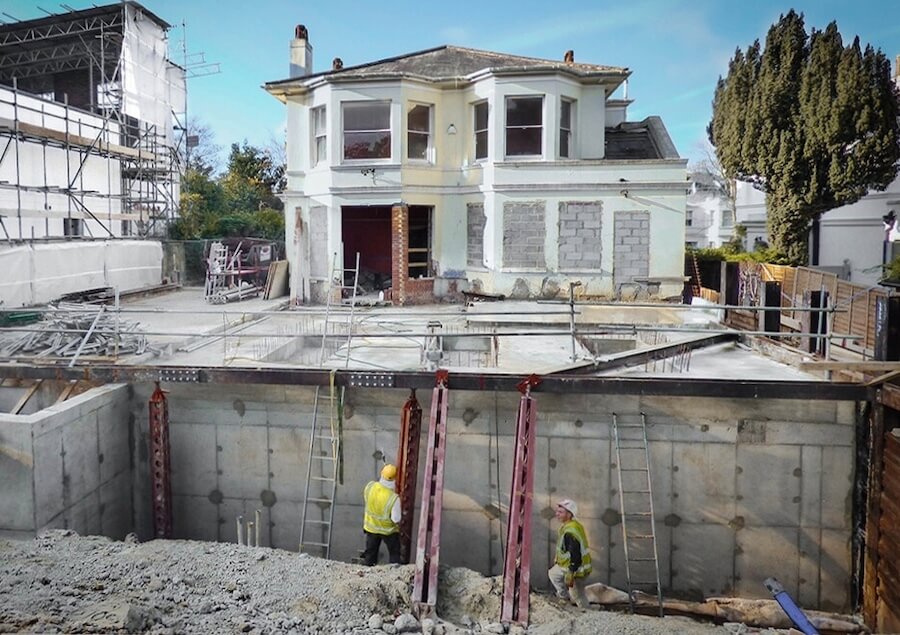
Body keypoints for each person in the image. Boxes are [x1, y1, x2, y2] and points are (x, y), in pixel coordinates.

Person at [548, 498, 592, 608]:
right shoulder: (571, 525)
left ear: (569, 514)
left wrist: (571, 572)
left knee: (578, 595)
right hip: (566, 565)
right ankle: (564, 598)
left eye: (560, 512)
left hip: (577, 568)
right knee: (553, 574)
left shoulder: (571, 531)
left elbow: (575, 553)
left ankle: (588, 615)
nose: (557, 514)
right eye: (557, 511)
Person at [362, 463, 401, 565]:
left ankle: (367, 573)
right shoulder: (394, 498)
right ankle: (394, 573)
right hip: (388, 531)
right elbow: (396, 519)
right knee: (394, 554)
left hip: (371, 528)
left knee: (370, 553)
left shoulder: (370, 486)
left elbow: (367, 500)